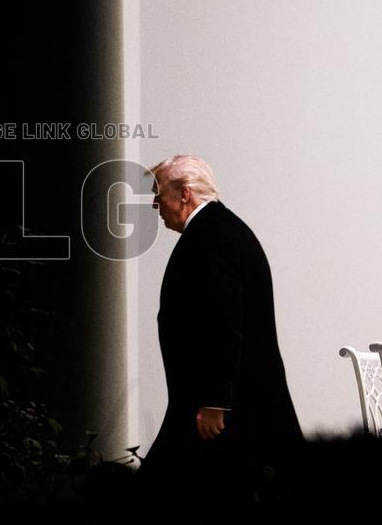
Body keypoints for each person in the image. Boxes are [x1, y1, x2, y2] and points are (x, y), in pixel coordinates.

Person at [139, 155, 302, 521]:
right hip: (217, 403)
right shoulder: (222, 230)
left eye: (158, 193)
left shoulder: (211, 236)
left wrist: (216, 401)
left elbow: (224, 321)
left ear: (184, 194)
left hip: (217, 408)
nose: (154, 204)